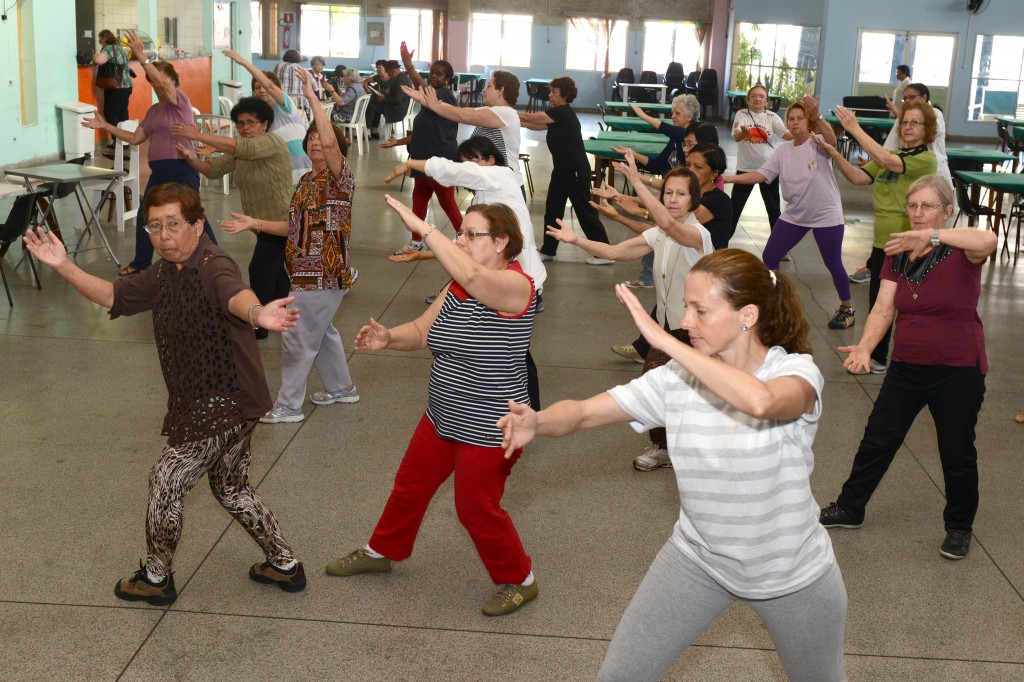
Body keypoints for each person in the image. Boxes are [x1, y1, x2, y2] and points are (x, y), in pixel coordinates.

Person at [497, 249, 847, 681]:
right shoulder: (677, 381)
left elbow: (761, 402)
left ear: (748, 315)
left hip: (791, 573)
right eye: (686, 307)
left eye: (701, 310)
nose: (685, 321)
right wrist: (539, 421)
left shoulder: (795, 371)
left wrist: (664, 344)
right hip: (698, 559)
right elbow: (586, 413)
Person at [22, 183, 306, 606]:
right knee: (230, 488)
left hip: (222, 404)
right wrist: (63, 265)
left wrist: (256, 311)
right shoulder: (162, 272)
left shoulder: (213, 265)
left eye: (173, 224)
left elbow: (234, 294)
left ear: (198, 224)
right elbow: (113, 295)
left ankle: (156, 577)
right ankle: (284, 564)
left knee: (166, 479)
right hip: (238, 402)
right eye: (154, 227)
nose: (164, 236)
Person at [326, 196, 540, 619]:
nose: (460, 241)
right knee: (410, 485)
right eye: (458, 234)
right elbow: (424, 331)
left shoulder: (517, 287)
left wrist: (427, 230)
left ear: (501, 243)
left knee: (475, 508)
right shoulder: (455, 286)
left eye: (470, 234)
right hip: (443, 414)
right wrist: (389, 337)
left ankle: (520, 579)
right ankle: (382, 549)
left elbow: (478, 279)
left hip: (491, 424)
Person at [820, 175, 996, 561]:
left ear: (947, 211)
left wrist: (932, 236)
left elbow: (989, 241)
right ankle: (851, 507)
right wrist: (866, 347)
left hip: (957, 368)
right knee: (878, 437)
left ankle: (959, 527)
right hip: (907, 366)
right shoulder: (897, 251)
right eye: (913, 206)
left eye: (928, 206)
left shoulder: (961, 249)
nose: (918, 214)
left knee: (956, 450)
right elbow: (885, 306)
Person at [547, 158, 713, 472]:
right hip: (667, 328)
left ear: (694, 199)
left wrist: (637, 183)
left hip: (698, 331)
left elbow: (667, 224)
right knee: (659, 385)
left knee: (685, 390)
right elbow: (617, 252)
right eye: (669, 193)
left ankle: (685, 444)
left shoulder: (697, 235)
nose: (673, 199)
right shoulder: (659, 234)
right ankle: (666, 447)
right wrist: (576, 240)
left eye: (681, 194)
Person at [224, 71, 359, 424]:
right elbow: (292, 227)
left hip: (323, 272)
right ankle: (342, 388)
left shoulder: (338, 178)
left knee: (298, 335)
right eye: (310, 137)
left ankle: (288, 405)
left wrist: (313, 98)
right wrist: (255, 223)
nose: (316, 142)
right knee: (322, 331)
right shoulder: (305, 183)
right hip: (304, 271)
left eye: (321, 138)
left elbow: (331, 144)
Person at [385, 136, 546, 409]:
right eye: (465, 162)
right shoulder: (485, 194)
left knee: (512, 356)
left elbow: (457, 171)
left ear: (490, 160)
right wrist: (424, 254)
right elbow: (470, 249)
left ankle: (527, 414)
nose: (467, 168)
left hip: (517, 284)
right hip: (496, 278)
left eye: (473, 161)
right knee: (506, 353)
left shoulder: (500, 176)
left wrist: (412, 162)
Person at [82, 30, 217, 278]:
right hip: (160, 171)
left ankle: (214, 256)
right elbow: (135, 138)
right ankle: (142, 262)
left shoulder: (181, 102)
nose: (157, 85)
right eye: (153, 82)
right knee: (147, 214)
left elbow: (164, 83)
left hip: (181, 168)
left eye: (162, 81)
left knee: (192, 214)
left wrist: (143, 58)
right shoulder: (154, 110)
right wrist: (106, 127)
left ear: (174, 83)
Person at [818, 101, 937, 374]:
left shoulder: (925, 158)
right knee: (878, 303)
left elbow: (885, 161)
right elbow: (858, 177)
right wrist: (834, 153)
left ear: (927, 129)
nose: (908, 127)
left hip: (908, 243)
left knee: (906, 305)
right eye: (905, 122)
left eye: (915, 123)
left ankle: (901, 359)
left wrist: (854, 129)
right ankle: (877, 355)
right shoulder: (892, 153)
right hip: (882, 242)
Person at [725, 98, 855, 330]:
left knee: (833, 262)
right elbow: (760, 175)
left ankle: (847, 307)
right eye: (791, 119)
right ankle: (776, 303)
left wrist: (817, 115)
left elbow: (833, 139)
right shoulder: (783, 150)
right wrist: (728, 178)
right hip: (795, 214)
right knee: (770, 256)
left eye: (800, 119)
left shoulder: (819, 143)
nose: (795, 123)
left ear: (808, 122)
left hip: (826, 214)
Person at [171, 97, 293, 339]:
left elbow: (241, 147)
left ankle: (260, 324)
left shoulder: (270, 142)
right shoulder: (241, 151)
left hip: (281, 221)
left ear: (264, 124)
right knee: (275, 271)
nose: (245, 128)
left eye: (250, 122)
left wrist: (199, 135)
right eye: (240, 123)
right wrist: (191, 159)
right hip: (262, 225)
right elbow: (213, 170)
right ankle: (285, 314)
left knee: (259, 269)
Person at [381, 42, 463, 253]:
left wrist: (408, 66)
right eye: (432, 72)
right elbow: (421, 134)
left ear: (447, 80)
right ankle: (416, 241)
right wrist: (397, 142)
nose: (434, 76)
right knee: (419, 201)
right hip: (421, 161)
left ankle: (466, 239)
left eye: (439, 74)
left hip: (440, 161)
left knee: (448, 204)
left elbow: (425, 88)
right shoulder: (428, 103)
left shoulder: (443, 96)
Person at [519, 76, 611, 264]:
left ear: (564, 94)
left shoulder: (562, 112)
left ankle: (605, 253)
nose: (550, 95)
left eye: (553, 92)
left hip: (575, 171)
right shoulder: (557, 114)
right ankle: (548, 250)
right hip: (561, 170)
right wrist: (517, 122)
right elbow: (533, 124)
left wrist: (507, 114)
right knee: (553, 210)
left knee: (584, 212)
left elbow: (530, 117)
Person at [403, 69, 524, 191]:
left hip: (507, 186)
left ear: (501, 90)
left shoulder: (506, 113)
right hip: (491, 182)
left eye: (489, 86)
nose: (484, 90)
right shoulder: (491, 110)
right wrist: (426, 101)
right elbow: (456, 109)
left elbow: (462, 116)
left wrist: (434, 105)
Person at [224, 49, 313, 187]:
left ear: (278, 89)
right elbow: (245, 144)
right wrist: (216, 147)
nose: (262, 90)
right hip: (279, 176)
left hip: (302, 171)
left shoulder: (286, 108)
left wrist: (244, 63)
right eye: (257, 87)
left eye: (264, 86)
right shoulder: (259, 118)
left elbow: (269, 85)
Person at [730, 84, 792, 237]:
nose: (757, 99)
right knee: (734, 208)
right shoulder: (741, 114)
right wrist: (743, 134)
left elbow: (786, 135)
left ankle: (779, 246)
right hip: (745, 168)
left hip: (769, 170)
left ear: (766, 101)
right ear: (748, 100)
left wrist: (803, 133)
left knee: (773, 209)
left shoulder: (772, 117)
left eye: (761, 97)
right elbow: (736, 137)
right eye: (754, 96)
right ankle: (721, 242)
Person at [610, 94, 700, 175]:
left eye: (677, 113)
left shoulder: (692, 135)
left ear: (690, 117)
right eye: (672, 113)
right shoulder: (674, 138)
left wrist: (643, 116)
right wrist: (632, 153)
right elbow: (657, 165)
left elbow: (668, 129)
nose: (672, 116)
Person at [92, 29, 133, 140]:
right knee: (122, 114)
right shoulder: (120, 48)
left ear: (105, 39)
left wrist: (94, 55)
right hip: (126, 85)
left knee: (110, 113)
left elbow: (98, 60)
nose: (100, 43)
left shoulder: (109, 48)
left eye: (100, 41)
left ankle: (118, 142)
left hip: (116, 86)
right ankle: (126, 141)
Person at [365, 59, 411, 140]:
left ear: (393, 70)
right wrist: (386, 93)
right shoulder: (402, 77)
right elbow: (397, 95)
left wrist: (384, 99)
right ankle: (374, 130)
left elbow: (397, 99)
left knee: (372, 106)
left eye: (388, 71)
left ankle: (368, 131)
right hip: (401, 105)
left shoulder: (399, 80)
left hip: (398, 109)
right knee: (375, 104)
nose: (388, 74)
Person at [274, 49, 309, 117]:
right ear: (298, 57)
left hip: (282, 98)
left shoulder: (278, 66)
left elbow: (274, 77)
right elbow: (312, 82)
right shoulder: (300, 68)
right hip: (298, 100)